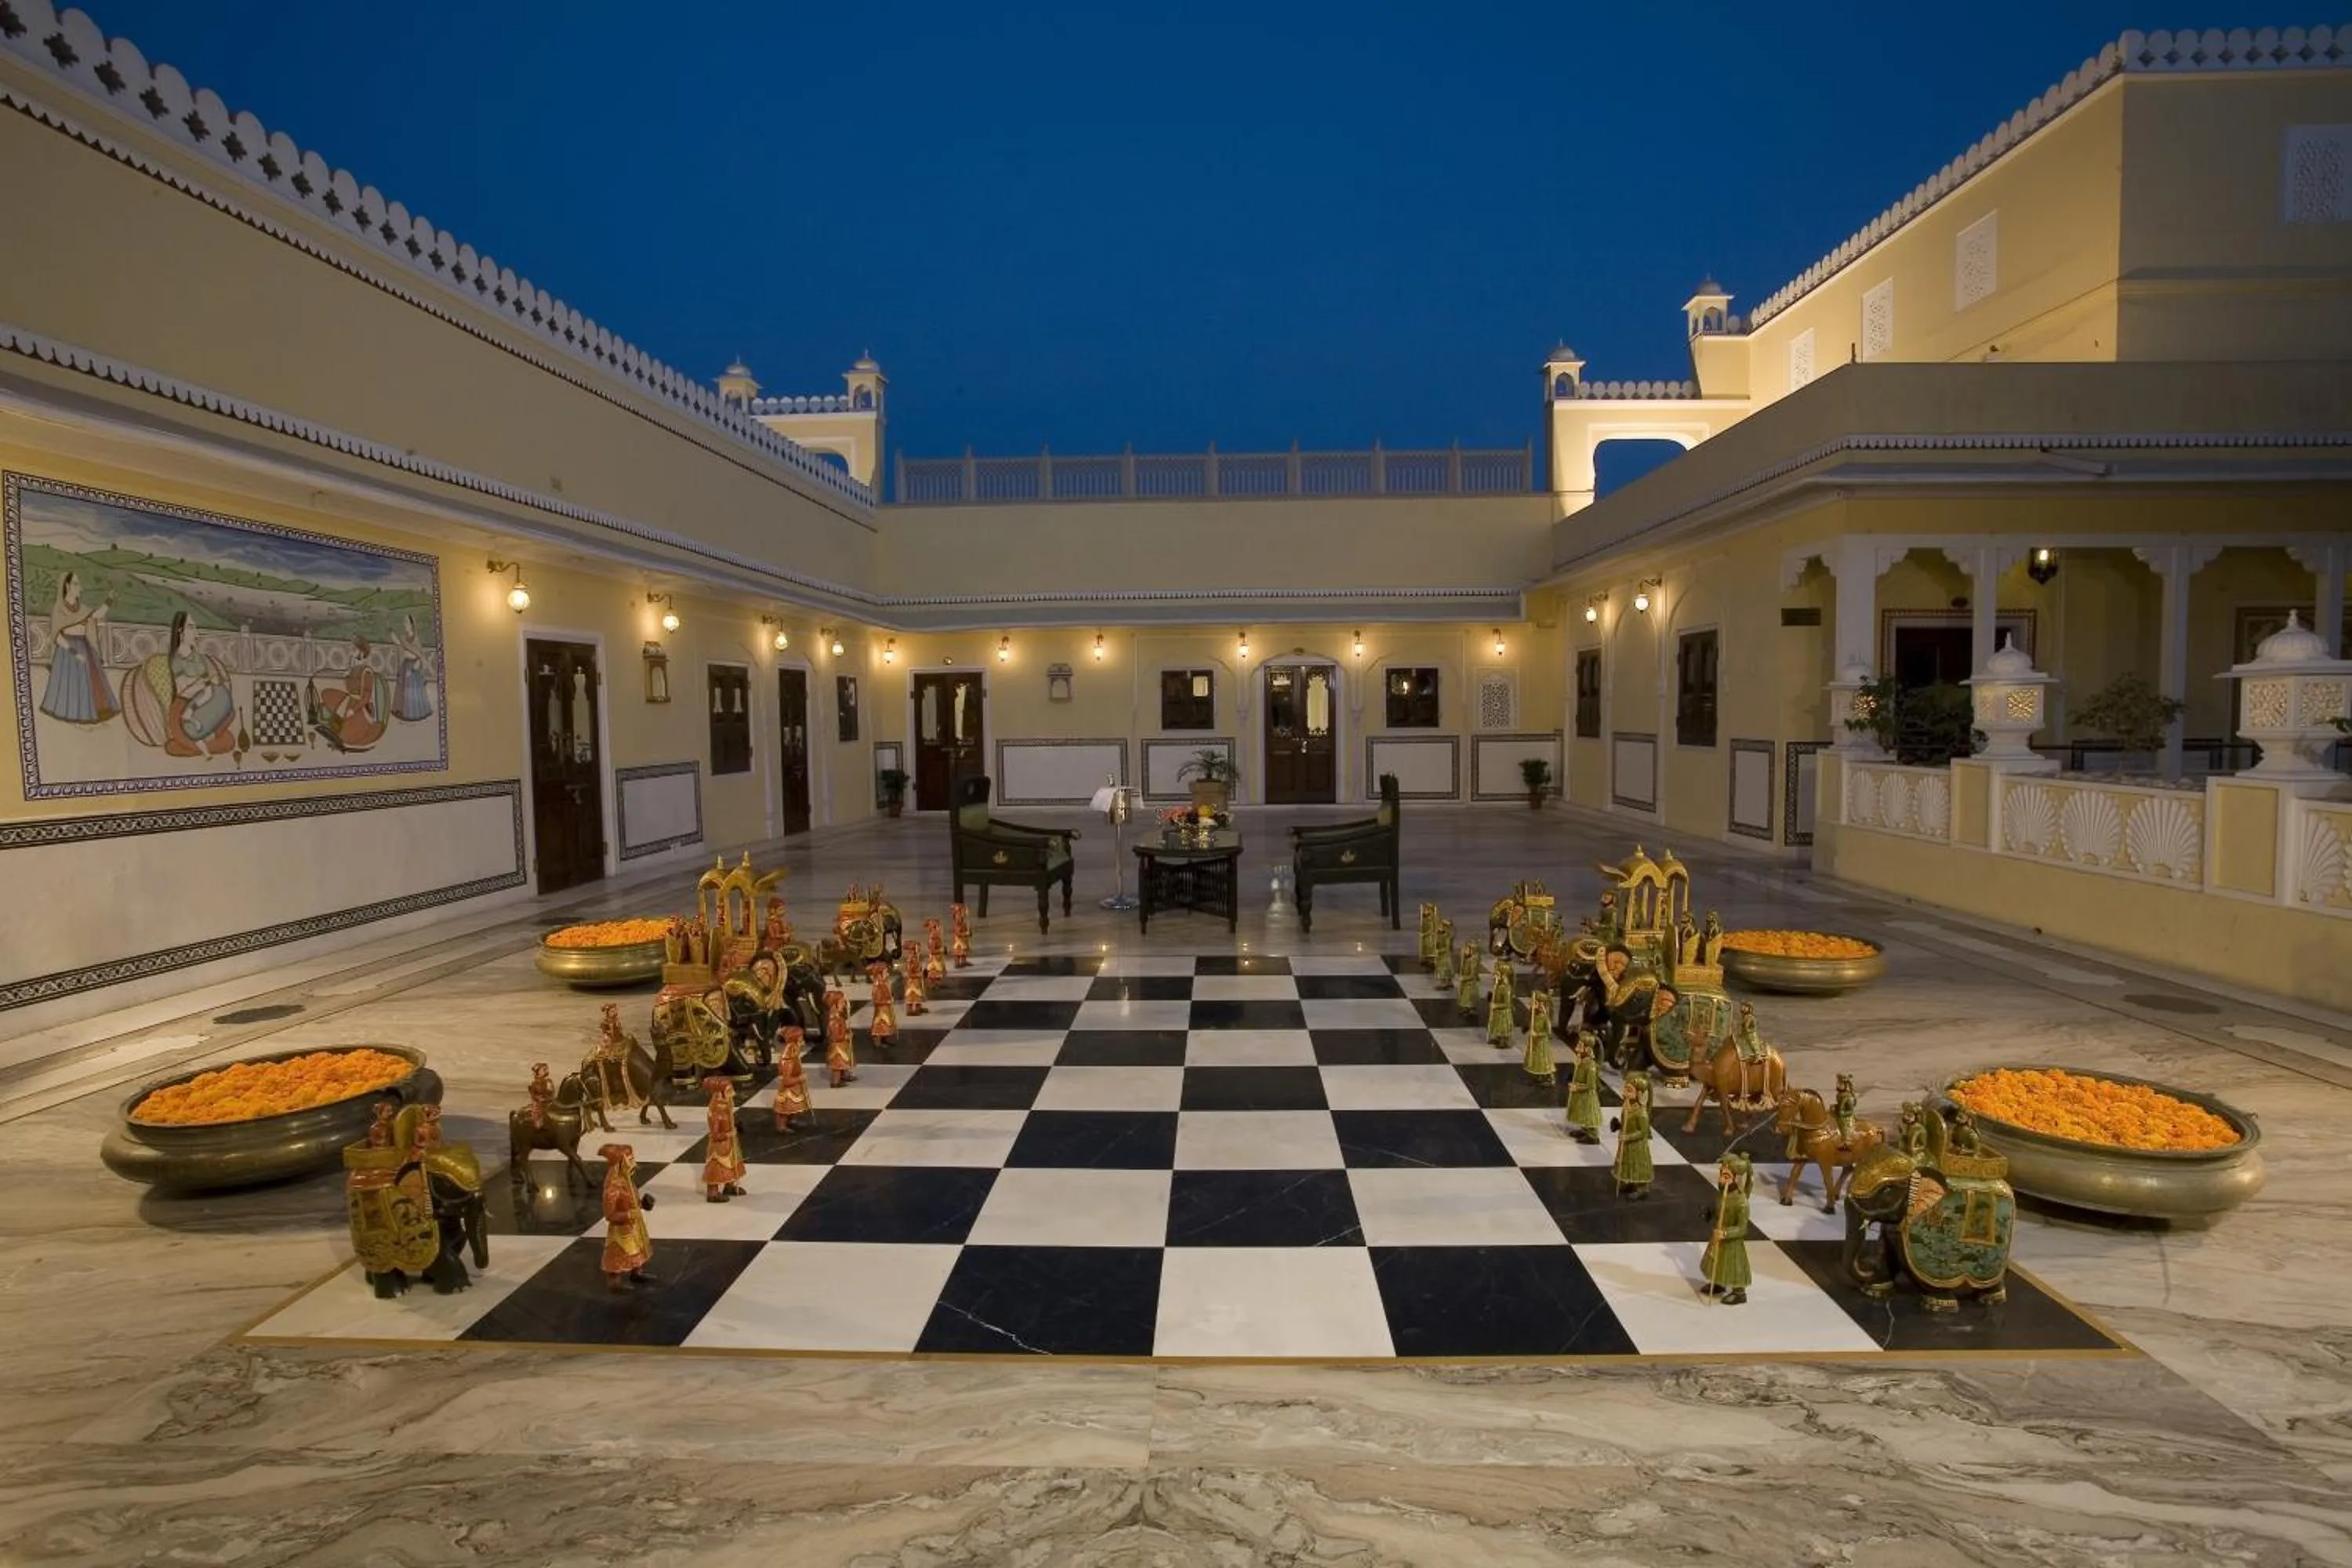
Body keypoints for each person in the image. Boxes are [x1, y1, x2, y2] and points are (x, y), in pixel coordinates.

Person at [39, 572, 116, 724]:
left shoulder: (83, 609)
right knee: (72, 685)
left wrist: (110, 599)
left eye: (79, 583)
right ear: (67, 586)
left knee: (91, 683)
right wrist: (74, 653)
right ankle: (74, 714)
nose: (79, 587)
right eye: (75, 583)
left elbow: (97, 615)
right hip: (67, 651)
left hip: (84, 646)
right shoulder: (59, 609)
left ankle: (91, 713)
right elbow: (57, 636)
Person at [162, 611, 238, 757]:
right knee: (187, 733)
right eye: (190, 627)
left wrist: (211, 683)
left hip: (205, 700)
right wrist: (203, 686)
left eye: (194, 627)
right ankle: (202, 742)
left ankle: (199, 743)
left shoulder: (197, 656)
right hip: (185, 705)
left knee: (230, 714)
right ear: (181, 631)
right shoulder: (177, 659)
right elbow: (183, 689)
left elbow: (207, 680)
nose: (195, 632)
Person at [598, 1145, 654, 1289]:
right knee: (618, 1253)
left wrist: (642, 1204)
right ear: (620, 1163)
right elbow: (610, 1215)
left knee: (637, 1248)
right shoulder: (612, 1188)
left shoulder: (627, 1181)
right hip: (620, 1229)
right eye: (630, 1160)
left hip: (633, 1225)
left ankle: (637, 1272)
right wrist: (629, 1214)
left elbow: (631, 1201)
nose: (633, 1163)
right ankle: (614, 1282)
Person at [1701, 1155, 1755, 1305]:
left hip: (1732, 1241)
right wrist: (1709, 1212)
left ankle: (1739, 1292)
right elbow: (1718, 1209)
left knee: (1734, 1263)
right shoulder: (1723, 1193)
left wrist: (1725, 1233)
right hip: (1719, 1235)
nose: (1721, 1179)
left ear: (1736, 1179)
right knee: (1718, 1260)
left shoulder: (1741, 1203)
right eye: (1721, 1175)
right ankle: (1719, 1282)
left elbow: (1742, 1228)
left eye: (1726, 1176)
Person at [701, 1077, 746, 1203]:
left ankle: (729, 1186)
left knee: (731, 1163)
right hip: (719, 1146)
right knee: (716, 1166)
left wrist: (734, 1128)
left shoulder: (726, 1104)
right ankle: (712, 1193)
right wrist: (728, 1135)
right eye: (728, 1089)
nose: (732, 1091)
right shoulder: (716, 1111)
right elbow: (715, 1135)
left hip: (729, 1143)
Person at [1613, 1071, 1655, 1198]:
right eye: (1625, 1089)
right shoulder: (1627, 1107)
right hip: (1627, 1143)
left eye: (1629, 1090)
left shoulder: (1641, 1113)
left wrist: (1628, 1137)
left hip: (1637, 1145)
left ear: (1640, 1094)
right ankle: (1631, 1182)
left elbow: (1643, 1132)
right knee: (1629, 1162)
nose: (1625, 1093)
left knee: (1638, 1164)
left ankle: (1642, 1188)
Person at [390, 612, 434, 722]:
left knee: (413, 691)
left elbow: (419, 655)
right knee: (404, 690)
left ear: (411, 624)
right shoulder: (403, 638)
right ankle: (404, 711)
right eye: (404, 622)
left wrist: (415, 667)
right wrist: (397, 644)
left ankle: (414, 713)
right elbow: (402, 650)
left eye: (406, 622)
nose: (404, 624)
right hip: (405, 665)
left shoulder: (415, 638)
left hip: (413, 667)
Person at [1564, 1033, 1602, 1144]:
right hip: (1581, 1094)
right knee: (1583, 1112)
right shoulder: (1582, 1060)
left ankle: (1593, 1135)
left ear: (1588, 1049)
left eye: (1581, 1045)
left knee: (1589, 1114)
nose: (1577, 1047)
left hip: (1587, 1095)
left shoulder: (1590, 1066)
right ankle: (1584, 1130)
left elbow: (1591, 1086)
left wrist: (1577, 1087)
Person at [773, 1024, 811, 1129]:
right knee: (786, 1106)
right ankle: (781, 1126)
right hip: (789, 1087)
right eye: (801, 1038)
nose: (802, 1041)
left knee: (792, 1105)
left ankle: (792, 1120)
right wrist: (800, 1078)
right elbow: (786, 1081)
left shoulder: (793, 1051)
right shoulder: (788, 1059)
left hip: (794, 1085)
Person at [1523, 986, 1557, 1084]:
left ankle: (1550, 1077)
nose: (1531, 1004)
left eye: (1534, 1003)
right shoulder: (1535, 1015)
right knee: (1537, 1059)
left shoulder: (1544, 1018)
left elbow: (1548, 1032)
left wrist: (1538, 1034)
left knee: (1544, 1060)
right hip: (1534, 1041)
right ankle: (1540, 1076)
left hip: (1541, 1042)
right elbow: (1531, 1024)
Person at [826, 987, 858, 1086]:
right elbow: (835, 1036)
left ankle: (843, 1075)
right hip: (838, 1046)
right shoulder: (835, 1019)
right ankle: (835, 1082)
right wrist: (846, 1037)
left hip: (841, 1045)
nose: (844, 1004)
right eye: (842, 1002)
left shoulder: (839, 1015)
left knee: (843, 1061)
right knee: (838, 1063)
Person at [1486, 954, 1515, 1050]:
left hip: (1503, 1012)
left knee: (1503, 1025)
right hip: (1498, 1010)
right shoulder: (1498, 986)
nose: (1494, 976)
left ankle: (1503, 1039)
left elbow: (1507, 1004)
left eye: (1497, 974)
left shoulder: (1505, 988)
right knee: (1497, 1023)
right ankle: (1498, 1037)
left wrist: (1496, 1005)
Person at [525, 1062, 555, 1129]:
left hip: (548, 1101)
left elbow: (552, 1092)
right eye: (543, 1070)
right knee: (537, 1111)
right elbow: (533, 1094)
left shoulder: (549, 1082)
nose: (545, 1071)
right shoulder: (535, 1083)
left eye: (545, 1070)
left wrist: (548, 1098)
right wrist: (538, 1098)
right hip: (539, 1103)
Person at [1833, 1073, 1859, 1150]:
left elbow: (1851, 1111)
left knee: (1843, 1125)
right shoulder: (1839, 1095)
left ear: (1845, 1086)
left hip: (1846, 1118)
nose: (1838, 1086)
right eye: (1838, 1084)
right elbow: (1840, 1105)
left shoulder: (1848, 1098)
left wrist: (1843, 1113)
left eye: (1840, 1084)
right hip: (1839, 1113)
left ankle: (1846, 1143)